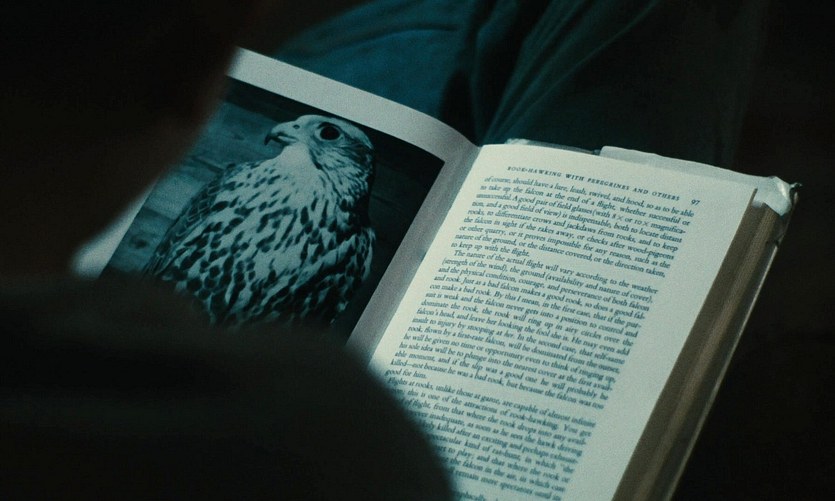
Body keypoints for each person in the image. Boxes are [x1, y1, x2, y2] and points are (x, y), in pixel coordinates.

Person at [0, 2, 451, 499]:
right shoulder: (332, 434)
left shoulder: (355, 246)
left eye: (323, 132)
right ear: (188, 90)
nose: (290, 131)